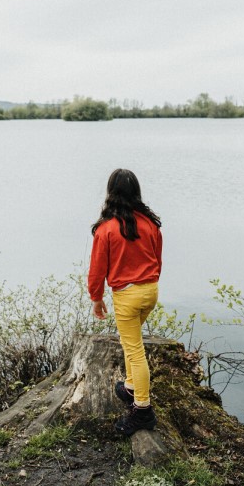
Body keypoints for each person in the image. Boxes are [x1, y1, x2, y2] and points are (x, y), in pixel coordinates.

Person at [88, 168, 163, 436]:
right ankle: (131, 387)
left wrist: (96, 299)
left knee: (134, 350)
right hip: (150, 291)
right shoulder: (151, 224)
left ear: (111, 194)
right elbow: (158, 259)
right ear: (136, 193)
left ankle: (142, 410)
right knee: (131, 341)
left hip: (127, 297)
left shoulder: (106, 230)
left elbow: (97, 270)